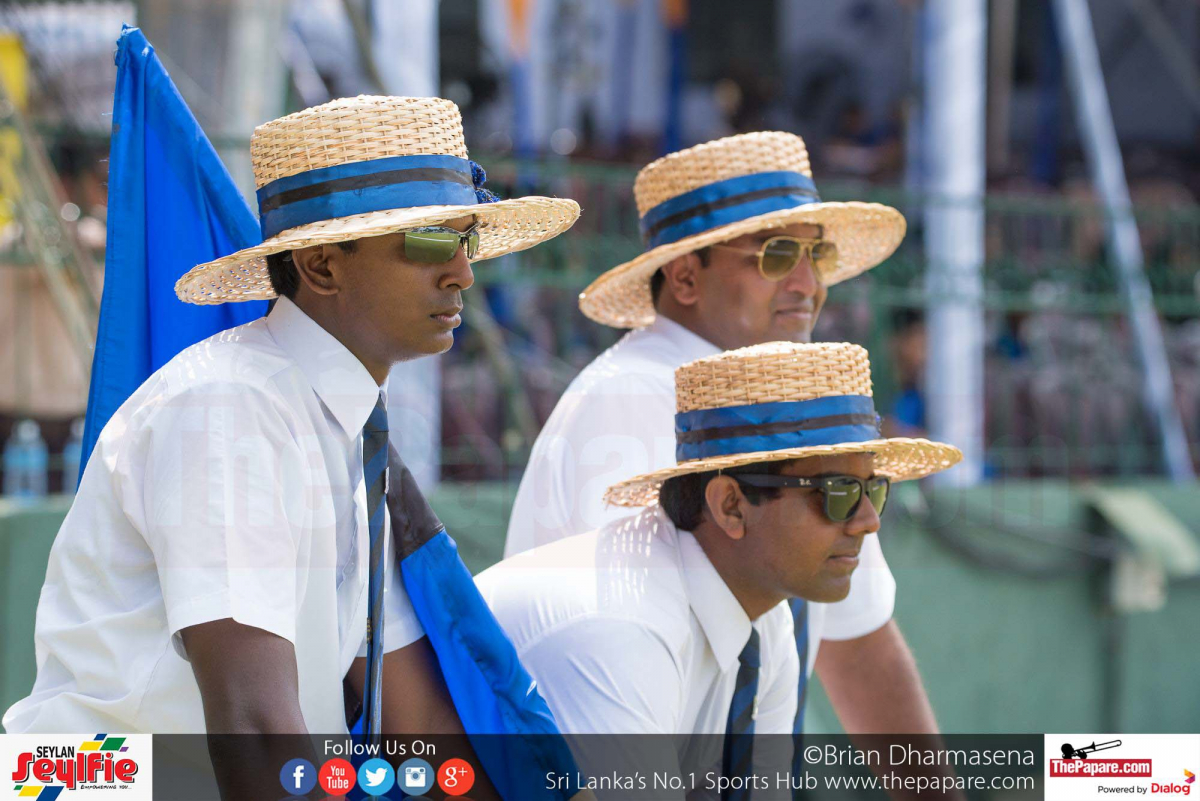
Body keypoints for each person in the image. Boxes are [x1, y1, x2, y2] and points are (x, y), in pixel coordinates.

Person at [3, 96, 578, 748]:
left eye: (465, 238)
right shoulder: (229, 409)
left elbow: (415, 722)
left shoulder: (343, 424)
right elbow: (255, 729)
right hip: (96, 782)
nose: (463, 273)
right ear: (322, 265)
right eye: (430, 239)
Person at [506, 131, 937, 735]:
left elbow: (859, 643)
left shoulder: (785, 407)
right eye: (777, 255)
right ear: (685, 278)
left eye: (817, 255)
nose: (808, 283)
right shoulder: (633, 396)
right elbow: (622, 643)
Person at [478, 342, 961, 798]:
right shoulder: (621, 629)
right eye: (838, 492)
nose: (869, 520)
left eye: (874, 490)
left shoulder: (765, 619)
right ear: (730, 505)